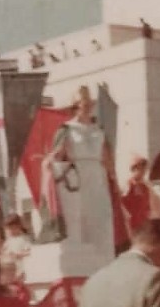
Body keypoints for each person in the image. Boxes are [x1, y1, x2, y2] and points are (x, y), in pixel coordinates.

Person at [48, 85, 115, 264]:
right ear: (75, 105)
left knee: (100, 219)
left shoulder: (98, 130)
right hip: (76, 176)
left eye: (88, 104)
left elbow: (107, 159)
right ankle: (82, 264)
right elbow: (56, 155)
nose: (85, 108)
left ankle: (104, 262)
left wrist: (113, 179)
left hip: (97, 177)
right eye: (82, 104)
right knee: (78, 219)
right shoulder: (67, 129)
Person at [121, 155, 160, 234]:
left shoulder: (145, 186)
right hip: (133, 225)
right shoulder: (128, 185)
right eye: (140, 168)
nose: (143, 172)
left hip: (144, 224)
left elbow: (153, 202)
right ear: (134, 169)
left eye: (144, 169)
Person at [0, 213, 32, 279]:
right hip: (9, 269)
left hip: (20, 268)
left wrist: (18, 254)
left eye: (13, 228)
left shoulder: (23, 239)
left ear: (19, 226)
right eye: (9, 229)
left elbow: (28, 252)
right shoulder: (8, 240)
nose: (11, 231)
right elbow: (3, 251)